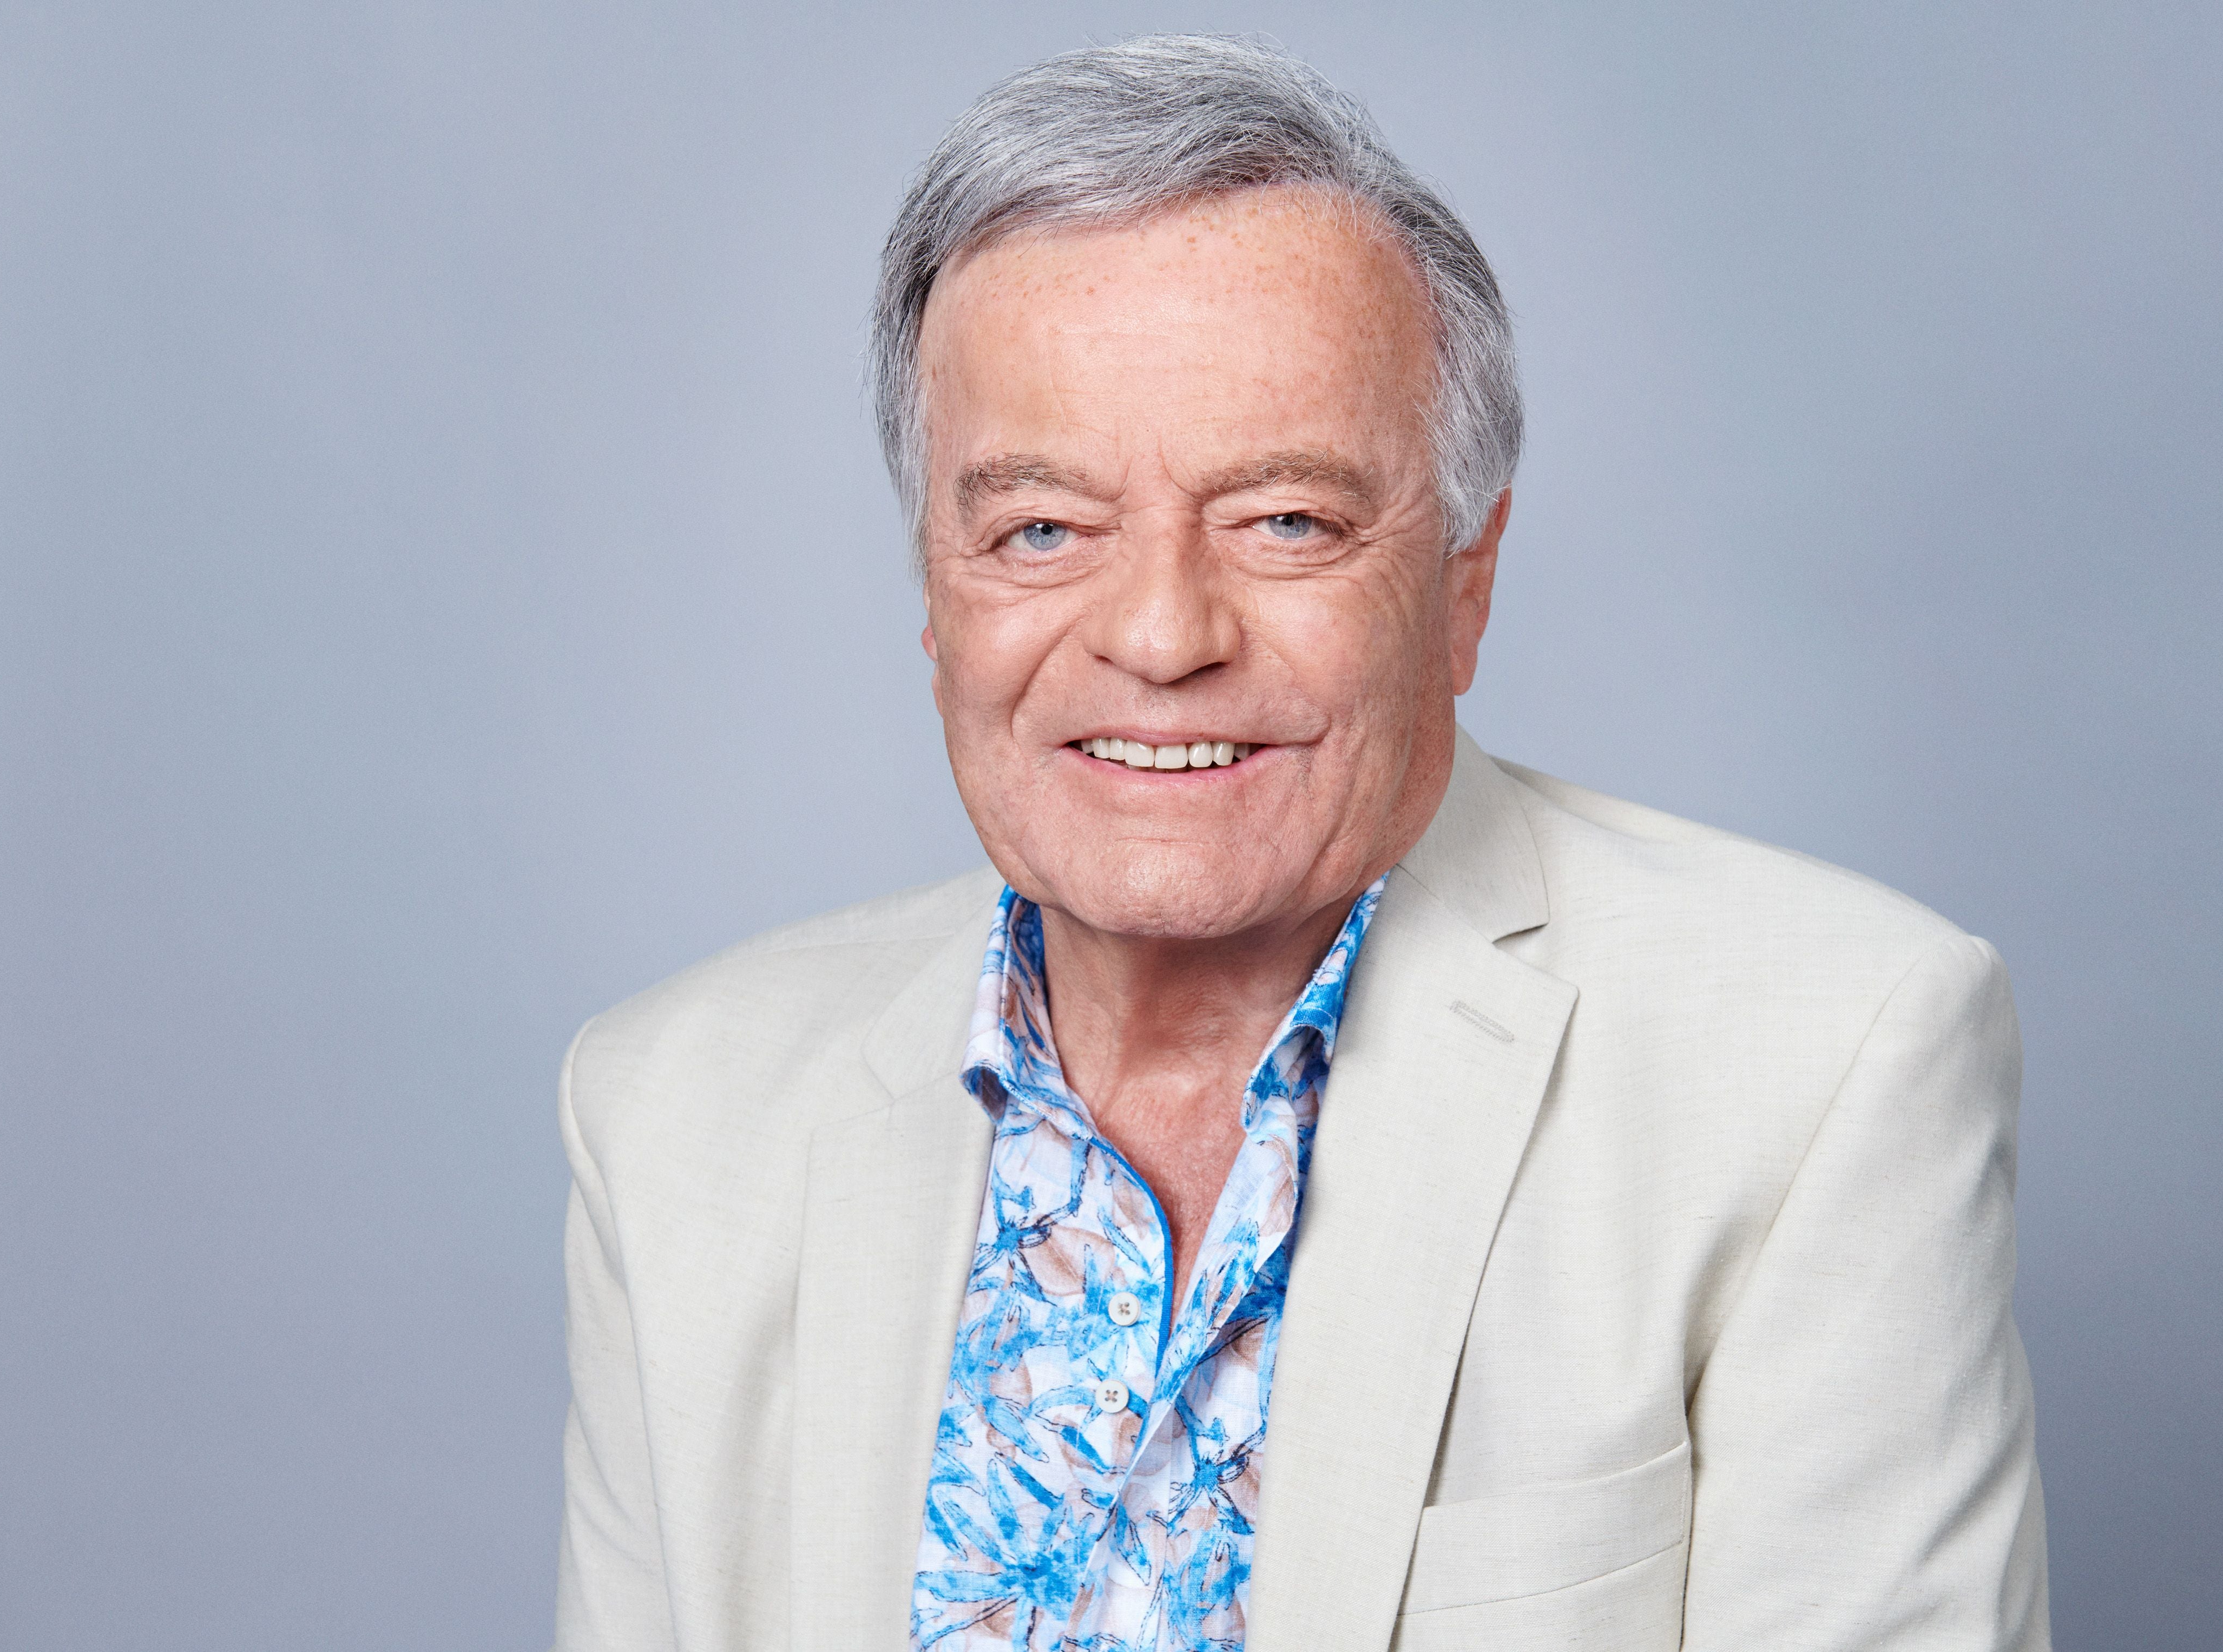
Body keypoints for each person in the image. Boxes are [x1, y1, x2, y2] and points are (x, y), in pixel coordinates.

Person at [553, 34, 2049, 1652]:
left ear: (1464, 586)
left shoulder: (1822, 1065)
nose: (1161, 634)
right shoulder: (674, 1116)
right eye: (1041, 529)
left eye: (1286, 522)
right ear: (934, 594)